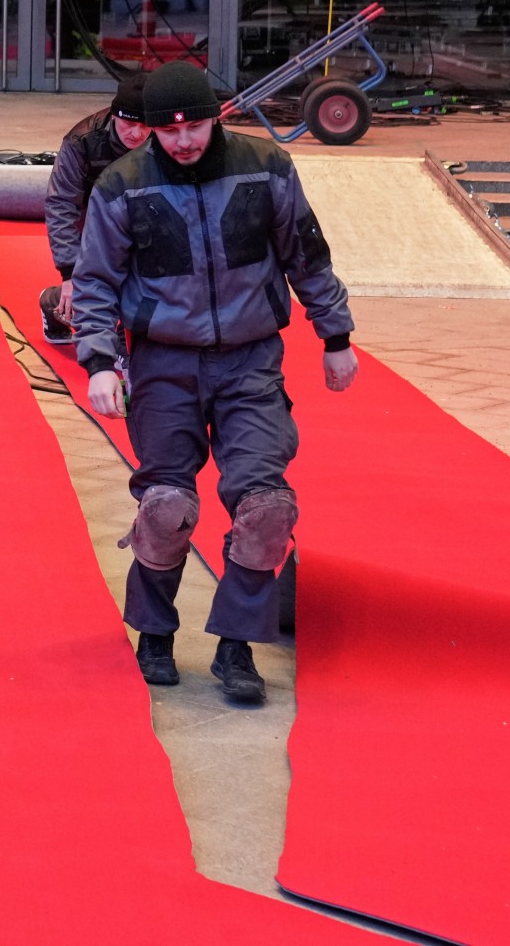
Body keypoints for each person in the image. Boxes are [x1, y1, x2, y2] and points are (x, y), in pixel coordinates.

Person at [71, 63, 358, 706]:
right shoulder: (121, 185)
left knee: (267, 508)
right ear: (150, 131)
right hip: (163, 364)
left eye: (194, 127)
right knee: (168, 506)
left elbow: (307, 255)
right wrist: (98, 363)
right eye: (168, 132)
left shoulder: (266, 168)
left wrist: (335, 337)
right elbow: (92, 283)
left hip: (250, 360)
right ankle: (153, 632)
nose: (182, 142)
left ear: (217, 117)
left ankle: (236, 645)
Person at [38, 73, 153, 344]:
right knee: (88, 292)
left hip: (144, 208)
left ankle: (130, 343)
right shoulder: (82, 141)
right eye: (128, 124)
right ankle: (49, 303)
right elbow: (61, 204)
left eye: (145, 125)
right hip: (92, 215)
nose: (137, 133)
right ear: (114, 117)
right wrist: (70, 274)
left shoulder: (165, 134)